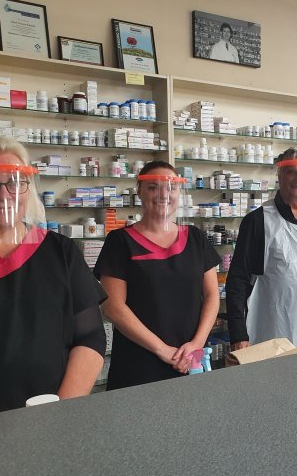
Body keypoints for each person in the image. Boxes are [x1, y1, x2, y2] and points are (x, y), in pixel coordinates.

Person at [0, 137, 106, 422]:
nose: (5, 197)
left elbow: (89, 336)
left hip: (54, 422)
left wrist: (61, 414)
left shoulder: (60, 251)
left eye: (15, 183)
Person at [94, 161, 220, 390]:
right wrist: (164, 350)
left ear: (179, 193)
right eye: (153, 187)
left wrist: (196, 344)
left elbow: (212, 295)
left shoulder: (195, 238)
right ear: (139, 192)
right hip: (139, 362)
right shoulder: (120, 241)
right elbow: (112, 306)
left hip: (191, 358)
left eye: (171, 187)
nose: (163, 194)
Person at [226, 147, 297, 349]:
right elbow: (237, 279)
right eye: (291, 171)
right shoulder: (259, 220)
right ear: (279, 175)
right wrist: (238, 334)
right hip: (270, 327)